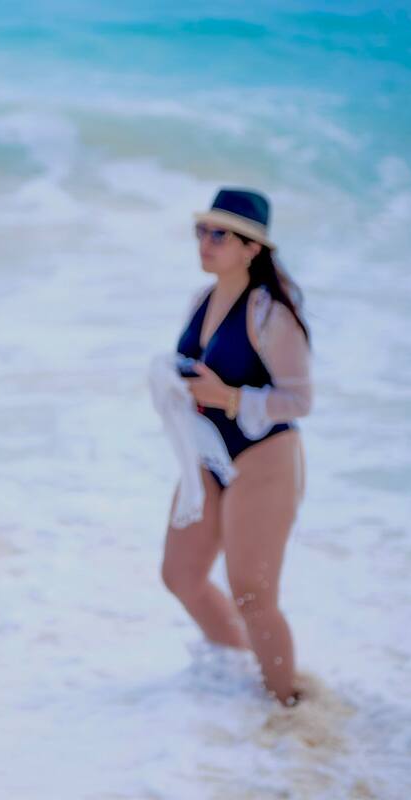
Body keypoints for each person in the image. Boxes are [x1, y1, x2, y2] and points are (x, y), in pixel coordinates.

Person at [159, 188, 313, 705]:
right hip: (209, 453)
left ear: (252, 248)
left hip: (264, 455)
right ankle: (240, 671)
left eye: (220, 234)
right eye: (201, 231)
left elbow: (299, 400)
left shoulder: (272, 312)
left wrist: (227, 397)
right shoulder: (201, 299)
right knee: (180, 575)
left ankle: (287, 710)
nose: (205, 242)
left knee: (253, 593)